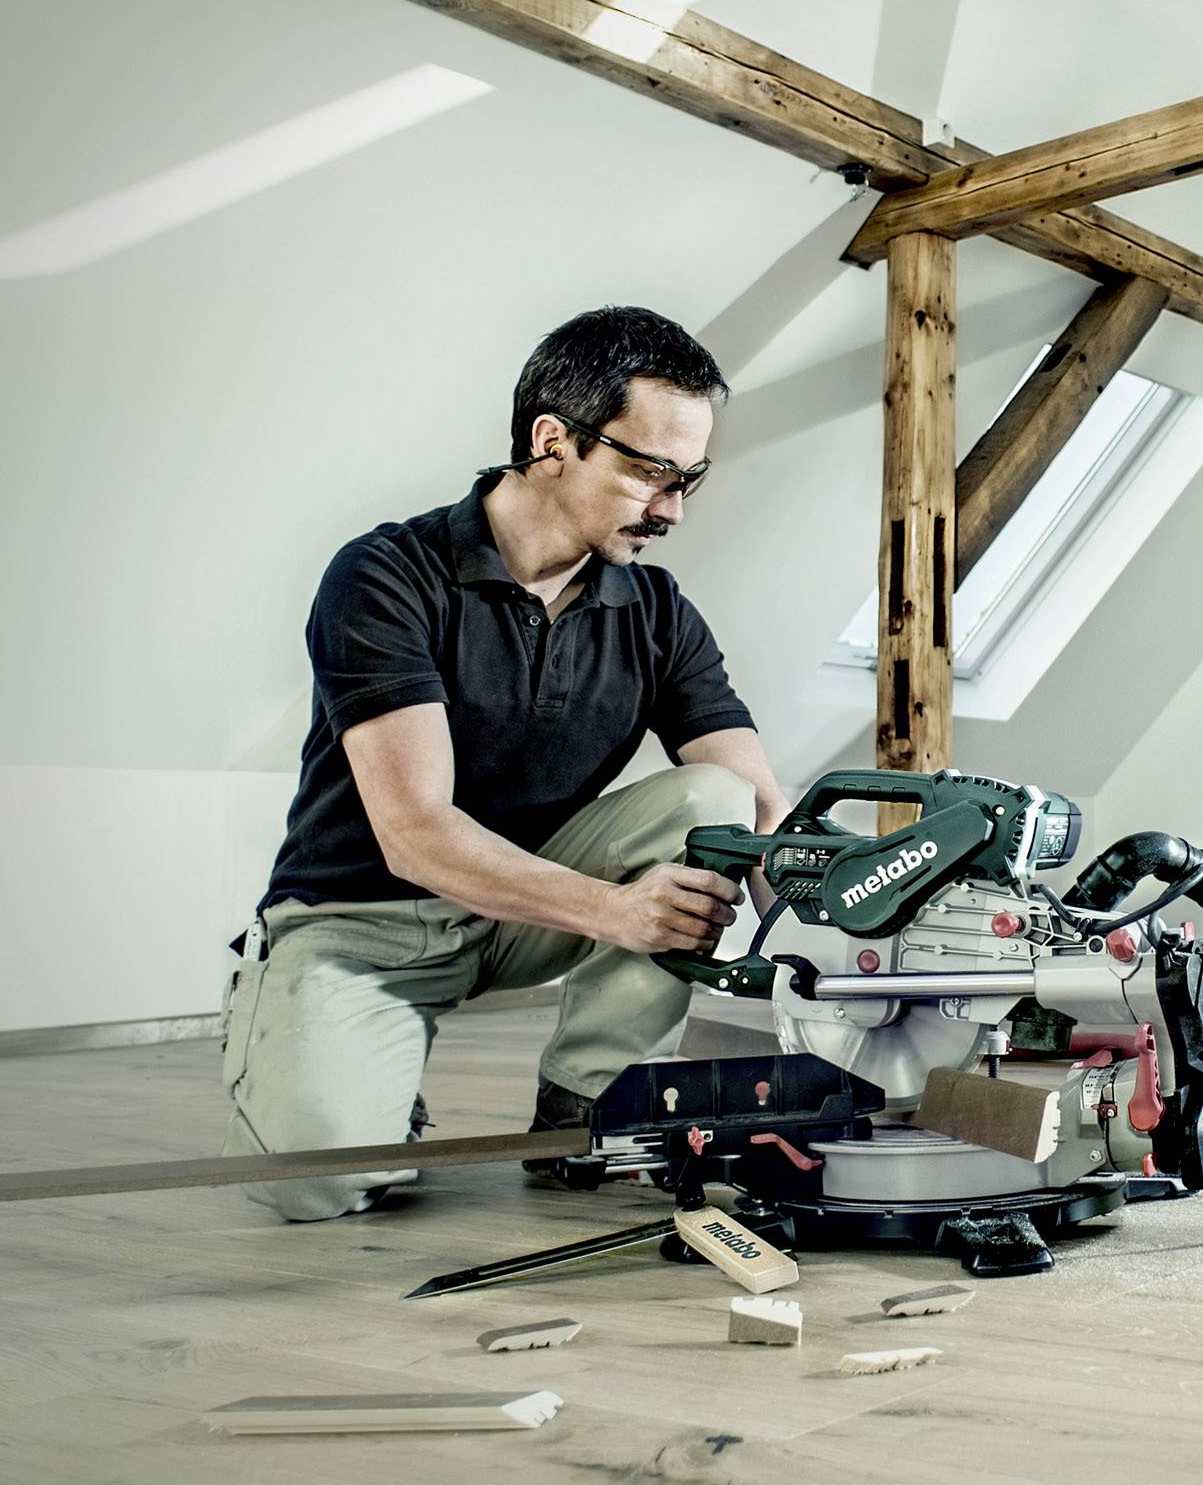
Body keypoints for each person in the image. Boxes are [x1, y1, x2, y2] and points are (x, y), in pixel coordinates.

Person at [220, 305, 789, 1221]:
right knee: (317, 1185)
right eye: (649, 472)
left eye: (690, 478)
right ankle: (339, 1061)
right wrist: (615, 911)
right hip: (364, 922)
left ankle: (591, 1107)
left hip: (527, 910)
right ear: (552, 441)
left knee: (714, 799)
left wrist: (847, 945)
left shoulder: (655, 607)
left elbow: (756, 802)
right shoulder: (384, 575)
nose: (673, 509)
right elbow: (414, 834)